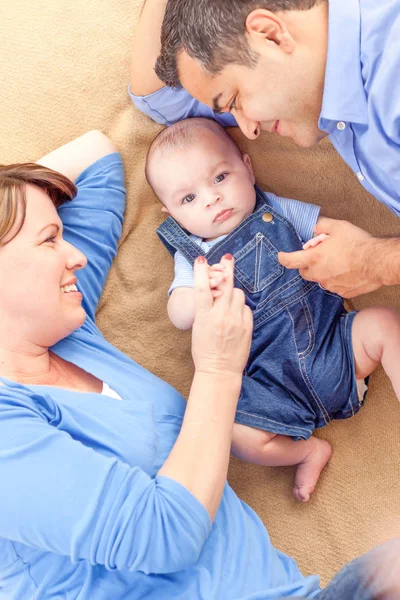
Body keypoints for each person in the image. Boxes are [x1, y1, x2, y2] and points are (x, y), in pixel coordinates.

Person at [0, 130, 398, 600]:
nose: (77, 256)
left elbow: (96, 158)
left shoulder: (67, 331)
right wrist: (217, 371)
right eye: (51, 240)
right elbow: (161, 537)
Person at [145, 116, 400, 502]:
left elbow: (334, 233)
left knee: (385, 323)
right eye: (188, 198)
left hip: (336, 350)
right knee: (236, 435)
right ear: (171, 215)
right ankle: (307, 450)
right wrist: (201, 295)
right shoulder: (193, 257)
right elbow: (178, 315)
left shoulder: (276, 210)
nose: (212, 199)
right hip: (272, 389)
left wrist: (323, 245)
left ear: (247, 168)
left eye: (219, 178)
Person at [130, 0, 400, 299]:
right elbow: (158, 97)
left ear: (270, 35)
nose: (249, 130)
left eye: (235, 101)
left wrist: (372, 262)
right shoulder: (307, 80)